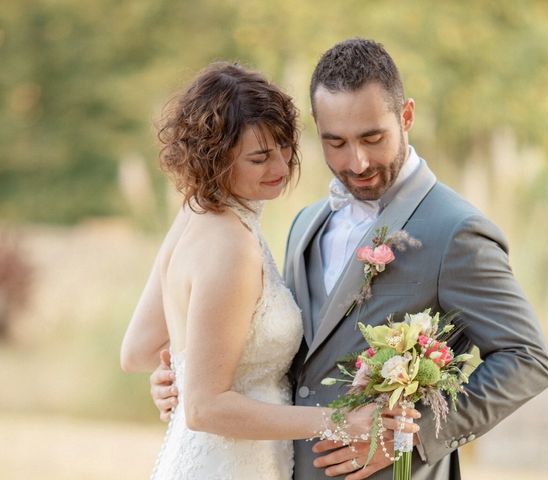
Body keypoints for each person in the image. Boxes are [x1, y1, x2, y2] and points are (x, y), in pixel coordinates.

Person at [150, 40, 548, 480]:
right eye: (335, 142)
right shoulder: (306, 224)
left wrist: (408, 441)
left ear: (407, 117)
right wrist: (183, 381)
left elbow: (526, 359)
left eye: (372, 137)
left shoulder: (455, 231)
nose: (356, 161)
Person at [120, 61, 419, 480]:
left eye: (284, 147)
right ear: (215, 159)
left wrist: (178, 376)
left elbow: (138, 350)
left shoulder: (195, 213)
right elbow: (206, 408)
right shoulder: (232, 247)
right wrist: (340, 420)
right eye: (260, 157)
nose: (280, 167)